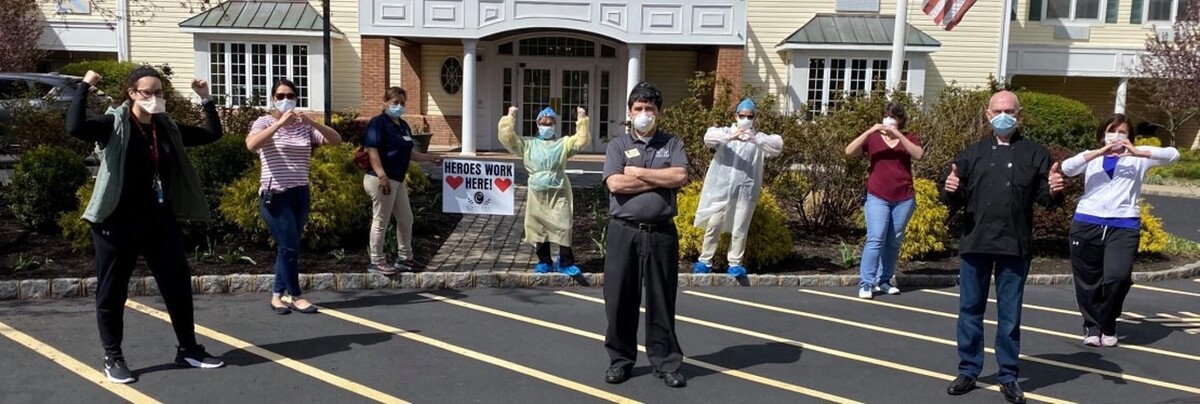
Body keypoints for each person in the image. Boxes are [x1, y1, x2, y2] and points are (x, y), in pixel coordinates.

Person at [67, 67, 226, 384]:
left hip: (158, 220)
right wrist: (84, 85)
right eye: (148, 92)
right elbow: (75, 127)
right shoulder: (115, 124)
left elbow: (212, 134)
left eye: (160, 92)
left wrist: (206, 99)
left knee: (177, 286)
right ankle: (113, 356)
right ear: (131, 94)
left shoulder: (166, 128)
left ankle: (188, 349)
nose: (155, 98)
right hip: (117, 222)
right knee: (112, 292)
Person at [939, 91, 1064, 404]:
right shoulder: (971, 154)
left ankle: (1008, 376)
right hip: (976, 242)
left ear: (1019, 115)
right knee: (970, 310)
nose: (1003, 115)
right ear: (987, 114)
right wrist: (950, 188)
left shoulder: (1036, 154)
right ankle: (969, 370)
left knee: (1009, 316)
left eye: (1009, 110)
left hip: (1015, 245)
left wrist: (1056, 189)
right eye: (998, 110)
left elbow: (1046, 199)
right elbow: (954, 193)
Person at [1061, 113, 1179, 347]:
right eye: (1111, 131)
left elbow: (1173, 155)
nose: (1116, 136)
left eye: (1122, 132)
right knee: (1087, 280)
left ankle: (1108, 321)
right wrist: (1099, 152)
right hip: (1087, 222)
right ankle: (1092, 327)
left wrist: (1138, 152)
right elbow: (1068, 168)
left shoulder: (1139, 157)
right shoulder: (1092, 157)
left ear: (1129, 136)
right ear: (1103, 135)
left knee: (1118, 277)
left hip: (1123, 224)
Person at [602, 82, 689, 388]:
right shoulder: (617, 145)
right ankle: (620, 361)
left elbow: (680, 176)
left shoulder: (672, 143)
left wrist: (636, 172)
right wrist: (660, 180)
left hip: (662, 234)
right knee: (619, 299)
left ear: (658, 113)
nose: (643, 114)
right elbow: (615, 184)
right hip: (624, 232)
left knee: (661, 300)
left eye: (649, 108)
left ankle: (666, 362)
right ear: (629, 112)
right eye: (638, 108)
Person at [246, 79, 341, 315]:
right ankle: (295, 295)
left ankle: (277, 295)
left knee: (286, 248)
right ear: (272, 98)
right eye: (280, 96)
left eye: (290, 95)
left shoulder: (303, 126)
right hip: (275, 195)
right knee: (291, 247)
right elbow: (251, 145)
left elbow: (335, 140)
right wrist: (278, 124)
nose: (285, 99)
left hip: (300, 193)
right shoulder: (264, 122)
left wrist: (310, 121)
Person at [692, 98, 783, 277]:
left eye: (750, 116)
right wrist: (730, 137)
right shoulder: (725, 132)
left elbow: (777, 146)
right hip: (722, 190)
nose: (746, 119)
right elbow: (708, 138)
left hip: (746, 191)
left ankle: (735, 263)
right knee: (714, 224)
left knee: (740, 226)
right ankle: (704, 260)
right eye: (742, 115)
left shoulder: (760, 138)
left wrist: (754, 139)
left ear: (755, 118)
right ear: (735, 116)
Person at [844, 102, 924, 299]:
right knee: (875, 238)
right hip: (877, 196)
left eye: (893, 117)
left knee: (893, 241)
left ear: (900, 121)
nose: (889, 120)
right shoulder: (872, 138)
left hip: (904, 197)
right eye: (886, 116)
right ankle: (866, 283)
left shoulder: (909, 137)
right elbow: (849, 152)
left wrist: (899, 136)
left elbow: (919, 154)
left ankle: (885, 280)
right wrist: (870, 130)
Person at [498, 105, 590, 275]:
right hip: (537, 193)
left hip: (559, 191)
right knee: (538, 227)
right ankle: (544, 261)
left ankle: (566, 261)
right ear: (537, 124)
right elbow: (508, 139)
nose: (547, 126)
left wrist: (582, 119)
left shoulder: (563, 144)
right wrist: (509, 118)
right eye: (543, 123)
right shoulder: (528, 144)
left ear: (555, 125)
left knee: (564, 225)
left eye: (550, 123)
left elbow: (581, 141)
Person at [362, 87, 442, 276]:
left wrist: (430, 158)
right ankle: (377, 261)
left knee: (406, 219)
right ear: (385, 102)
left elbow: (409, 153)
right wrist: (382, 175)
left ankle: (405, 259)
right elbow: (371, 150)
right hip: (380, 179)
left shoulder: (403, 125)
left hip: (397, 180)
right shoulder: (378, 123)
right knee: (381, 219)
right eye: (394, 102)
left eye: (402, 103)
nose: (399, 106)